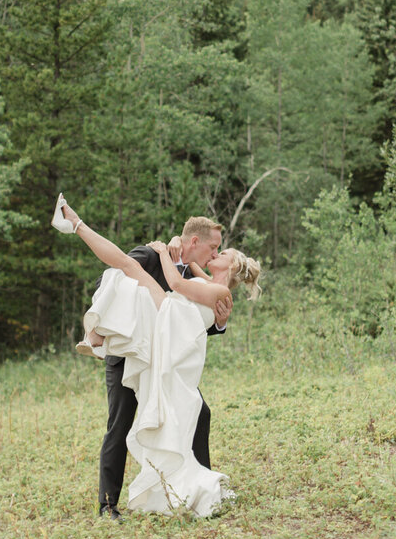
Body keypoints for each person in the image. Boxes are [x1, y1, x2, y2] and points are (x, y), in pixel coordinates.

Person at [52, 195, 261, 517]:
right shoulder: (158, 256)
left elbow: (190, 307)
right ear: (195, 241)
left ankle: (198, 479)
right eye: (213, 248)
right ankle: (107, 504)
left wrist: (220, 323)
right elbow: (108, 280)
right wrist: (166, 249)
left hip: (165, 343)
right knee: (119, 425)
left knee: (199, 412)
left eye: (221, 253)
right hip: (133, 352)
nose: (215, 254)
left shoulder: (199, 280)